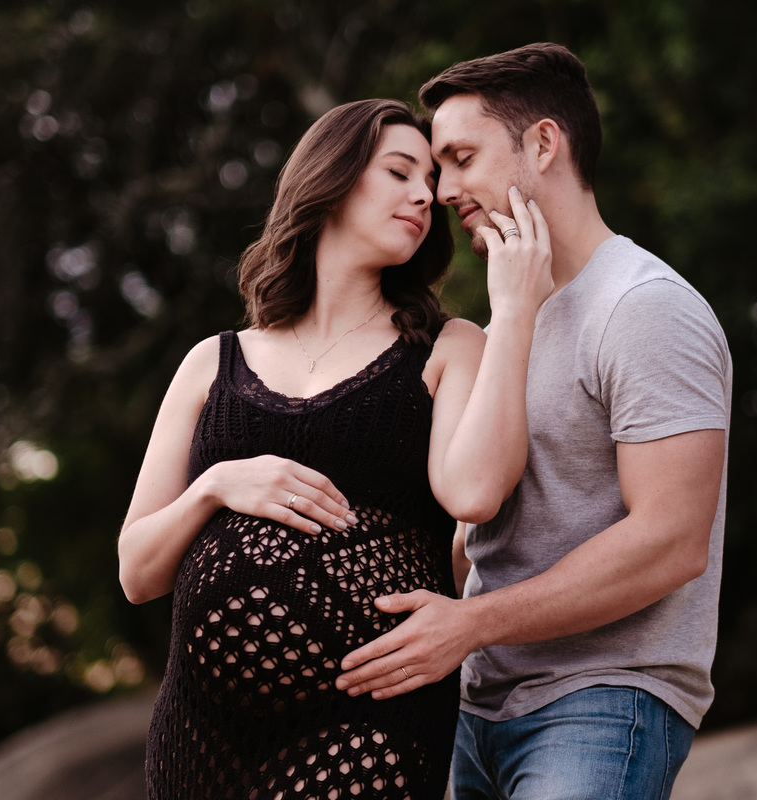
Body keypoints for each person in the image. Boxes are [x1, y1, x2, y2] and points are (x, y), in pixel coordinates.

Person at [117, 98, 552, 799]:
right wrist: (216, 485)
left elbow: (474, 492)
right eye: (400, 171)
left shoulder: (449, 347)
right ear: (332, 178)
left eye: (431, 179)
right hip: (202, 735)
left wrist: (517, 311)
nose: (426, 194)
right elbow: (137, 571)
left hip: (369, 720)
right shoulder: (211, 362)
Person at [336, 44, 733, 799]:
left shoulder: (645, 307)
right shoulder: (511, 312)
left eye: (460, 157)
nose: (443, 189)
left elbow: (672, 542)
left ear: (543, 144)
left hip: (602, 701)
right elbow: (485, 528)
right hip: (475, 706)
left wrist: (470, 623)